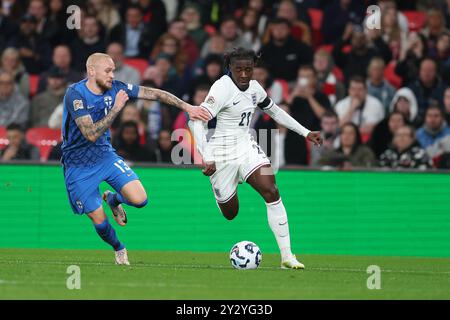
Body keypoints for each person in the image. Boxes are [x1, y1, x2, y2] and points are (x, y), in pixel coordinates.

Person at [61, 52, 209, 265]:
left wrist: (187, 107)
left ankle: (113, 199)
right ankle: (119, 248)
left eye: (113, 70)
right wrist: (116, 109)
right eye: (108, 70)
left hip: (104, 156)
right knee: (100, 221)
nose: (112, 75)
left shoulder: (116, 87)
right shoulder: (75, 94)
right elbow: (90, 134)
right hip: (78, 166)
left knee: (140, 200)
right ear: (92, 71)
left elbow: (154, 94)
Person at [189, 47, 322, 269]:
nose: (243, 74)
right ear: (229, 68)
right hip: (221, 155)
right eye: (238, 69)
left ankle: (287, 256)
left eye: (248, 69)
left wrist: (306, 132)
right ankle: (226, 186)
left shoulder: (255, 88)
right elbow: (195, 121)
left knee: (272, 190)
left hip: (246, 147)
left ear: (254, 68)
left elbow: (276, 112)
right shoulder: (221, 88)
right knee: (230, 213)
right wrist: (207, 156)